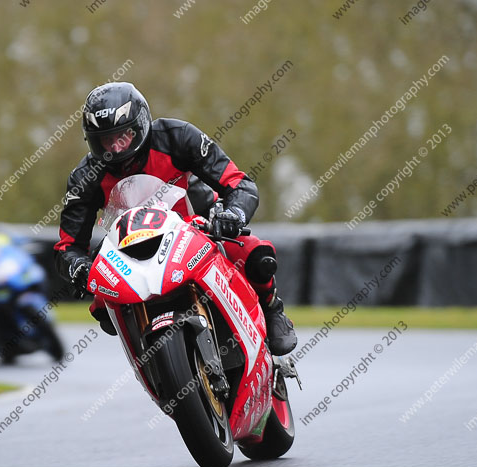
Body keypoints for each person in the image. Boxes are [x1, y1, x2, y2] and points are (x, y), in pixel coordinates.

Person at [53, 82, 297, 356]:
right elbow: (67, 247)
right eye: (105, 141)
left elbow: (239, 183)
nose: (116, 147)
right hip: (130, 254)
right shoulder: (85, 177)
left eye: (124, 136)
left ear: (142, 124)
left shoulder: (177, 136)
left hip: (197, 233)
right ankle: (152, 361)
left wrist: (233, 214)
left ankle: (272, 308)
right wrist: (78, 266)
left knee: (256, 255)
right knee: (102, 307)